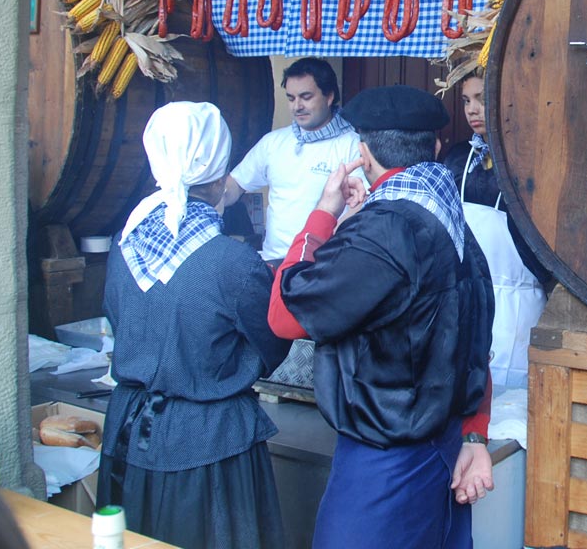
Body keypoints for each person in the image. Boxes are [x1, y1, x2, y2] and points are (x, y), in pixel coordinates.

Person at [268, 84, 495, 549]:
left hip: (386, 462)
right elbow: (473, 342)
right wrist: (475, 437)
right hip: (446, 445)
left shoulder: (384, 230)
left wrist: (325, 214)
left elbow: (284, 316)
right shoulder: (453, 222)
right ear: (433, 148)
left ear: (363, 153)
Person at [96, 102, 292, 548]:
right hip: (208, 447)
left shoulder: (125, 244)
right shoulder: (233, 262)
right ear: (221, 177)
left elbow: (118, 317)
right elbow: (272, 341)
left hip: (126, 434)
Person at [441, 71, 549, 387]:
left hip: (517, 303)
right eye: (466, 100)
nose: (472, 109)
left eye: (481, 98)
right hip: (467, 297)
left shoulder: (528, 162)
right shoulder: (459, 157)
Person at [222, 57, 365, 264]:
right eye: (291, 98)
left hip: (325, 262)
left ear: (329, 97)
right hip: (274, 262)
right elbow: (234, 186)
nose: (297, 106)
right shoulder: (273, 142)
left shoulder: (351, 144)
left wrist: (329, 244)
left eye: (306, 97)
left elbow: (361, 206)